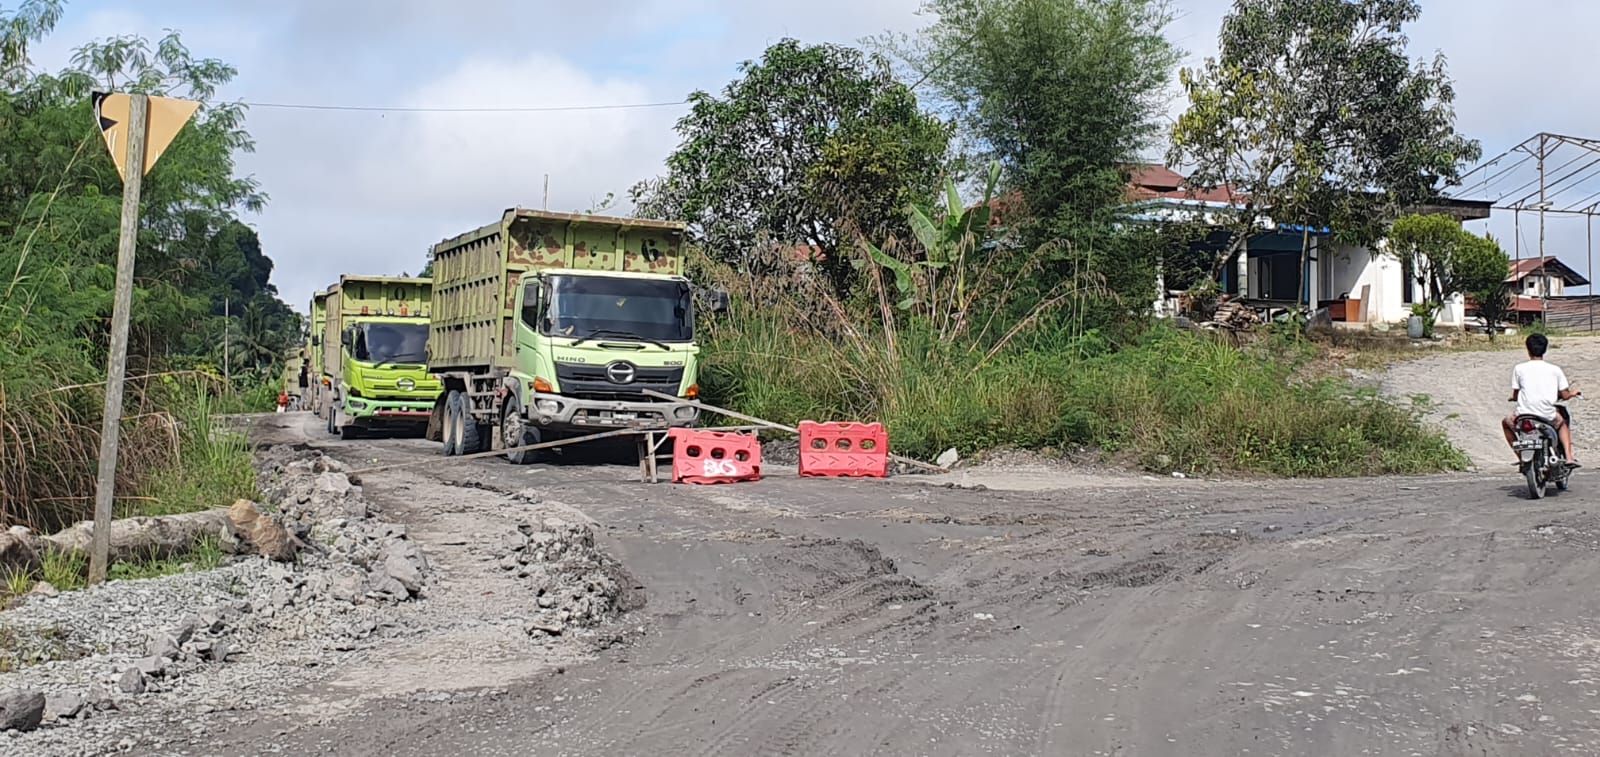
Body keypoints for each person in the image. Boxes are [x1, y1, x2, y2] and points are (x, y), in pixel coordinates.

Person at [1503, 333, 1581, 466]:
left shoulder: (1519, 368)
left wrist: (1513, 398)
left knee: (1506, 423)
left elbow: (1516, 394)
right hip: (1547, 415)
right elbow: (1565, 395)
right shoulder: (1555, 370)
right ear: (1545, 349)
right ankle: (1569, 457)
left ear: (1528, 349)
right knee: (1562, 423)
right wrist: (1573, 393)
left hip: (1524, 416)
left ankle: (1521, 457)